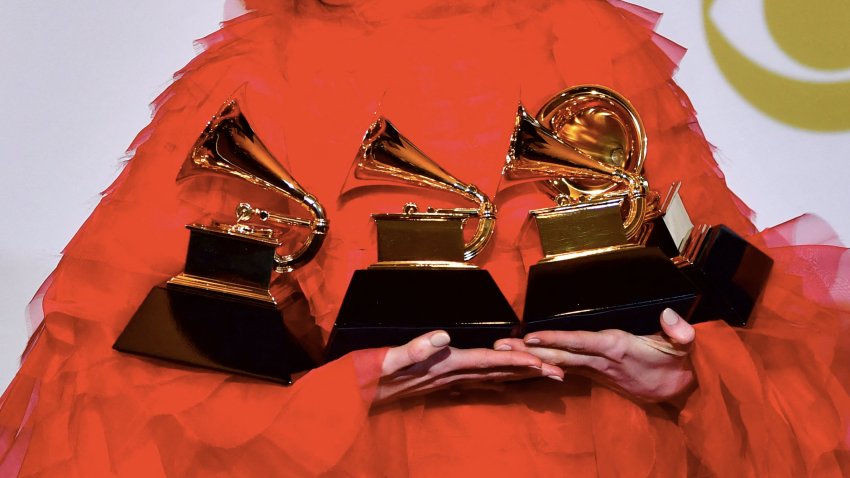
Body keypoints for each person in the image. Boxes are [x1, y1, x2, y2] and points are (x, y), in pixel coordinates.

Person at [2, 0, 849, 476]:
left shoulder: (592, 41)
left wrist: (685, 378)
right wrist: (329, 401)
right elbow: (109, 388)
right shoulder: (266, 65)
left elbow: (761, 325)